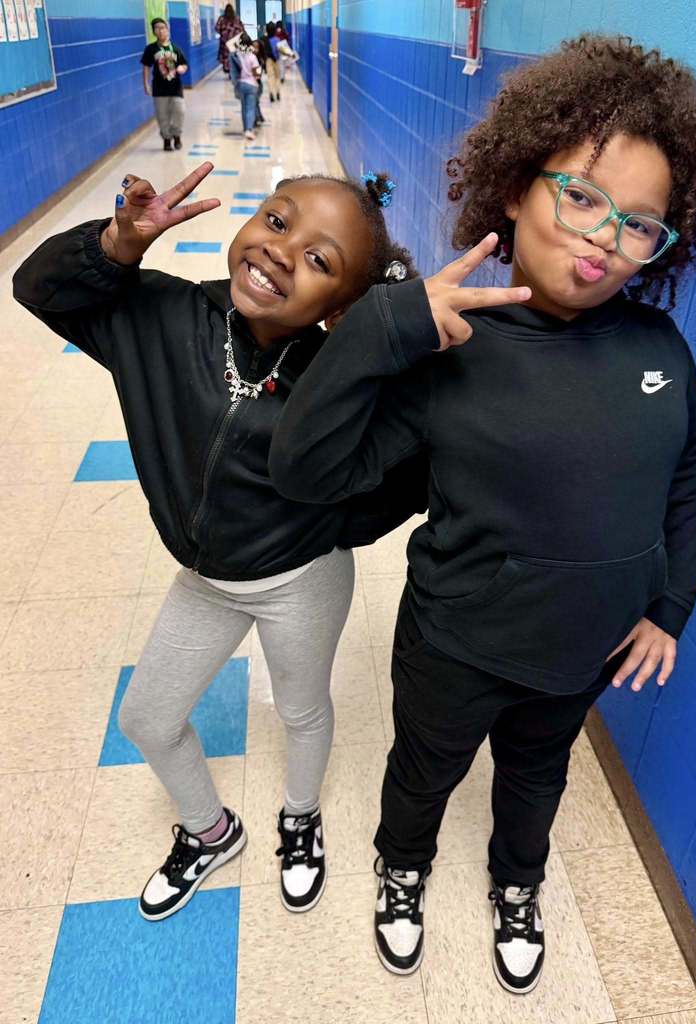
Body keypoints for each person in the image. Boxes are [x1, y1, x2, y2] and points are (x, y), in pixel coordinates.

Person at [269, 34, 696, 993]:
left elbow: (691, 469)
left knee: (538, 775)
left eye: (640, 225)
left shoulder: (659, 350)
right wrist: (385, 327)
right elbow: (307, 473)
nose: (603, 237)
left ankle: (517, 882)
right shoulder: (453, 348)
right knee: (425, 770)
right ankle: (402, 868)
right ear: (519, 188)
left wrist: (671, 607)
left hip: (582, 651)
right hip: (457, 644)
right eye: (582, 197)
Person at [13, 166, 425, 922]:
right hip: (205, 579)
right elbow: (37, 289)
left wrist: (329, 527)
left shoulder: (338, 383)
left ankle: (300, 818)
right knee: (147, 718)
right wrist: (113, 248)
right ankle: (210, 831)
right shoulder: (166, 316)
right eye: (277, 221)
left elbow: (402, 475)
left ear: (339, 309)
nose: (281, 251)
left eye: (319, 259)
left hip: (300, 579)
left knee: (300, 709)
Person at [141, 18, 188, 152]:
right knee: (162, 116)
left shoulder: (176, 48)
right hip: (159, 88)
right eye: (157, 28)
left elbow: (184, 64)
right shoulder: (151, 49)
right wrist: (146, 84)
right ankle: (167, 139)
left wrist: (182, 68)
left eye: (162, 28)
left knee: (180, 111)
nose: (160, 31)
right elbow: (146, 67)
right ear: (154, 32)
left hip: (175, 87)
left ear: (167, 30)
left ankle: (177, 135)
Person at [234, 34, 265, 138]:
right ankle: (249, 129)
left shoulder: (237, 56)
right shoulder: (252, 57)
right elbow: (257, 74)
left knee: (244, 108)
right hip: (252, 85)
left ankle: (245, 129)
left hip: (241, 84)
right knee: (250, 108)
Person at [215, 3, 244, 76]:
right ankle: (234, 70)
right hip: (235, 42)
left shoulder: (221, 19)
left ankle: (229, 69)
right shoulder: (236, 18)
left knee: (226, 56)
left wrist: (223, 33)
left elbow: (217, 28)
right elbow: (241, 29)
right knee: (235, 55)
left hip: (225, 42)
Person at [262, 22, 281, 102]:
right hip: (277, 60)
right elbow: (280, 51)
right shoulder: (277, 40)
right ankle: (277, 92)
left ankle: (271, 93)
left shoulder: (264, 40)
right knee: (277, 77)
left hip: (268, 60)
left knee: (270, 77)